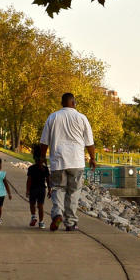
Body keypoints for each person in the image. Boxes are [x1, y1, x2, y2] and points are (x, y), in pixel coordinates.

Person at [38, 92, 96, 232]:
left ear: (62, 103)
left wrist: (42, 157)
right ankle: (70, 222)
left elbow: (44, 141)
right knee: (73, 191)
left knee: (58, 188)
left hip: (58, 161)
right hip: (76, 161)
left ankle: (57, 213)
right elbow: (89, 142)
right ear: (73, 103)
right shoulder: (82, 118)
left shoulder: (53, 117)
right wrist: (92, 158)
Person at [25, 144, 52, 229]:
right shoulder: (45, 169)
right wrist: (50, 189)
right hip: (42, 189)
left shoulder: (31, 168)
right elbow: (48, 180)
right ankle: (41, 222)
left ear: (34, 158)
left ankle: (33, 217)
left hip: (33, 189)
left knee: (32, 204)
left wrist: (27, 190)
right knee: (40, 206)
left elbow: (29, 180)